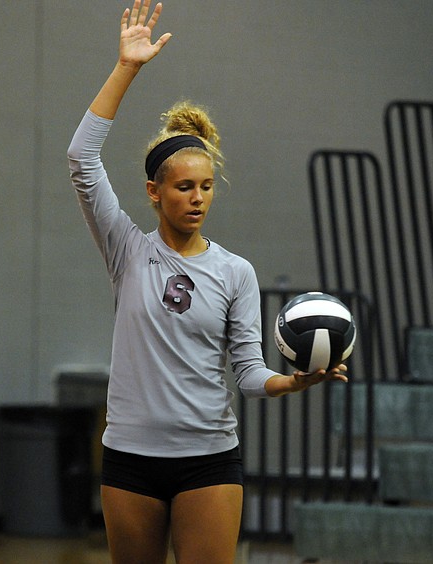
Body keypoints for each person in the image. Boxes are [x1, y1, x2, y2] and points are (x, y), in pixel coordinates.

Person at [67, 2, 348, 562]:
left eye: (206, 187)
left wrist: (292, 384)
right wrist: (128, 66)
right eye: (183, 188)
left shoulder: (233, 272)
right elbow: (81, 157)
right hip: (130, 456)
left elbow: (246, 373)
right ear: (154, 192)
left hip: (208, 457)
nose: (197, 198)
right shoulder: (126, 249)